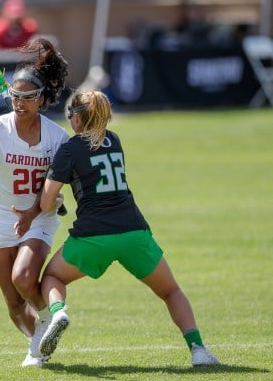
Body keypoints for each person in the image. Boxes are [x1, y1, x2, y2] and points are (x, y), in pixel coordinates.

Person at [36, 90, 220, 367]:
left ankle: (59, 312)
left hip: (93, 236)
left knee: (52, 277)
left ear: (76, 118)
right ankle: (199, 350)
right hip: (134, 231)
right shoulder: (115, 140)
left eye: (70, 115)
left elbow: (46, 202)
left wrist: (56, 199)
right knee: (171, 291)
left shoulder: (70, 149)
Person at [0, 38, 69, 367]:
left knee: (23, 279)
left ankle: (51, 319)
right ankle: (41, 345)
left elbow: (60, 186)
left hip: (39, 217)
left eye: (27, 97)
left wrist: (52, 200)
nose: (19, 103)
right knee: (13, 303)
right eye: (15, 96)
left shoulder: (56, 137)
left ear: (42, 99)